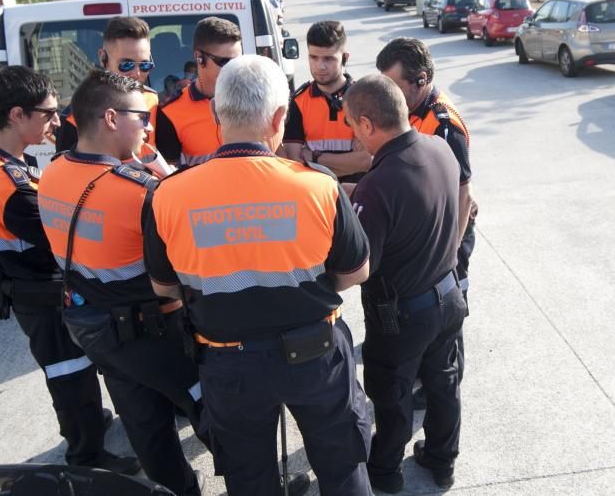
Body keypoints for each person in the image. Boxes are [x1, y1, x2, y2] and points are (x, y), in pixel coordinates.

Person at [146, 55, 373, 496]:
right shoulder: (319, 185)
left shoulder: (168, 195)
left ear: (216, 114)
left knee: (249, 480)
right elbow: (356, 271)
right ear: (280, 117)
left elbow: (163, 286)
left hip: (229, 363)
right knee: (343, 466)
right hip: (316, 356)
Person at [38, 69, 209, 496]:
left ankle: (177, 491)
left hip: (91, 326)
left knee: (146, 424)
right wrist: (164, 179)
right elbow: (187, 261)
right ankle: (254, 482)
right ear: (111, 118)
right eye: (141, 117)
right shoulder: (140, 191)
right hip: (151, 330)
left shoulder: (53, 173)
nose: (148, 125)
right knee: (213, 408)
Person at [0, 66, 138, 475]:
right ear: (16, 115)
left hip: (28, 289)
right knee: (69, 372)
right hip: (40, 296)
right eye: (47, 114)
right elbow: (63, 238)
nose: (57, 121)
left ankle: (89, 422)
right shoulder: (10, 188)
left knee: (70, 369)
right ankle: (85, 457)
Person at [343, 75, 467, 493]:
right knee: (443, 383)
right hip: (448, 294)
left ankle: (385, 471)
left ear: (367, 123)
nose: (353, 136)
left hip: (402, 314)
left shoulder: (378, 185)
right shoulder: (439, 147)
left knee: (391, 394)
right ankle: (441, 459)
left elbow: (360, 266)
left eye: (351, 126)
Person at [376, 37, 476, 411]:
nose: (391, 94)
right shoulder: (413, 110)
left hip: (450, 238)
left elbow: (464, 194)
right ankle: (429, 375)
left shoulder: (445, 124)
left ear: (420, 80)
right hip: (429, 234)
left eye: (395, 86)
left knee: (450, 312)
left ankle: (446, 384)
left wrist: (448, 254)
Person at [281, 21, 372, 182]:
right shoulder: (297, 102)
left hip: (358, 196)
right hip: (316, 195)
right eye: (313, 57)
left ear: (345, 58)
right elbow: (294, 162)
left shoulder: (365, 98)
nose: (320, 66)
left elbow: (366, 161)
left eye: (328, 59)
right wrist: (349, 161)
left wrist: (314, 157)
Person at [55, 17, 160, 153]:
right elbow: (68, 169)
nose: (136, 73)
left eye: (145, 65)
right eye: (126, 65)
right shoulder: (74, 116)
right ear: (103, 57)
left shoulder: (152, 100)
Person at [155, 17, 242, 168]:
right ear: (199, 58)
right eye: (224, 62)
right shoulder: (171, 113)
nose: (233, 69)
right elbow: (169, 177)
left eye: (238, 61)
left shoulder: (255, 101)